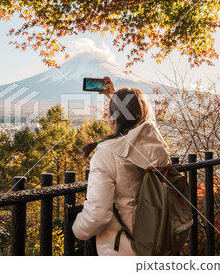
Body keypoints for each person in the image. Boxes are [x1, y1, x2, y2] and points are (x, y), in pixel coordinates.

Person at [71, 77, 172, 256]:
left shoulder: (106, 155)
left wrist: (77, 229)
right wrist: (117, 99)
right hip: (156, 242)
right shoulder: (158, 147)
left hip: (122, 249)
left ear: (112, 119)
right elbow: (140, 125)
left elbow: (98, 215)